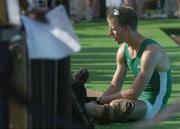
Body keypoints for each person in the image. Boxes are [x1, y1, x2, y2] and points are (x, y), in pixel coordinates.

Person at [85, 6, 172, 123]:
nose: (109, 33)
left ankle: (87, 110)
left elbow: (133, 93)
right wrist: (97, 101)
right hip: (135, 100)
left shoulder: (151, 52)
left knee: (120, 105)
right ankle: (91, 110)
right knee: (98, 97)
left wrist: (99, 100)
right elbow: (114, 86)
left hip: (153, 105)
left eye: (113, 29)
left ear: (126, 29)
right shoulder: (123, 50)